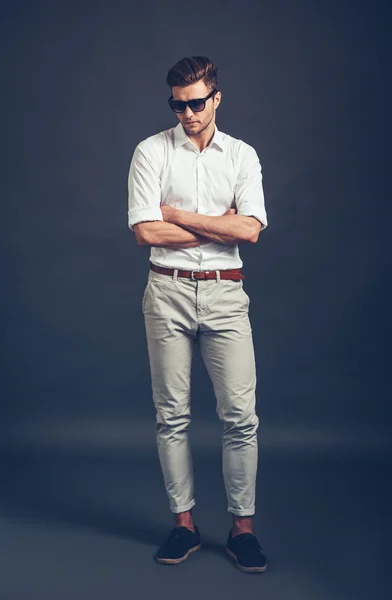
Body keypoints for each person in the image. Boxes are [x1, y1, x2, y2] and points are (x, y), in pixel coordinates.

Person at [127, 56, 268, 573]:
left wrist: (178, 215)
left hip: (227, 293)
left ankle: (243, 530)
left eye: (195, 102)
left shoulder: (243, 156)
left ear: (216, 98)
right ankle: (183, 525)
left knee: (240, 418)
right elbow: (144, 232)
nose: (186, 112)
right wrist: (218, 224)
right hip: (166, 291)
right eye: (176, 104)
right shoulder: (150, 152)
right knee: (172, 416)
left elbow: (251, 230)